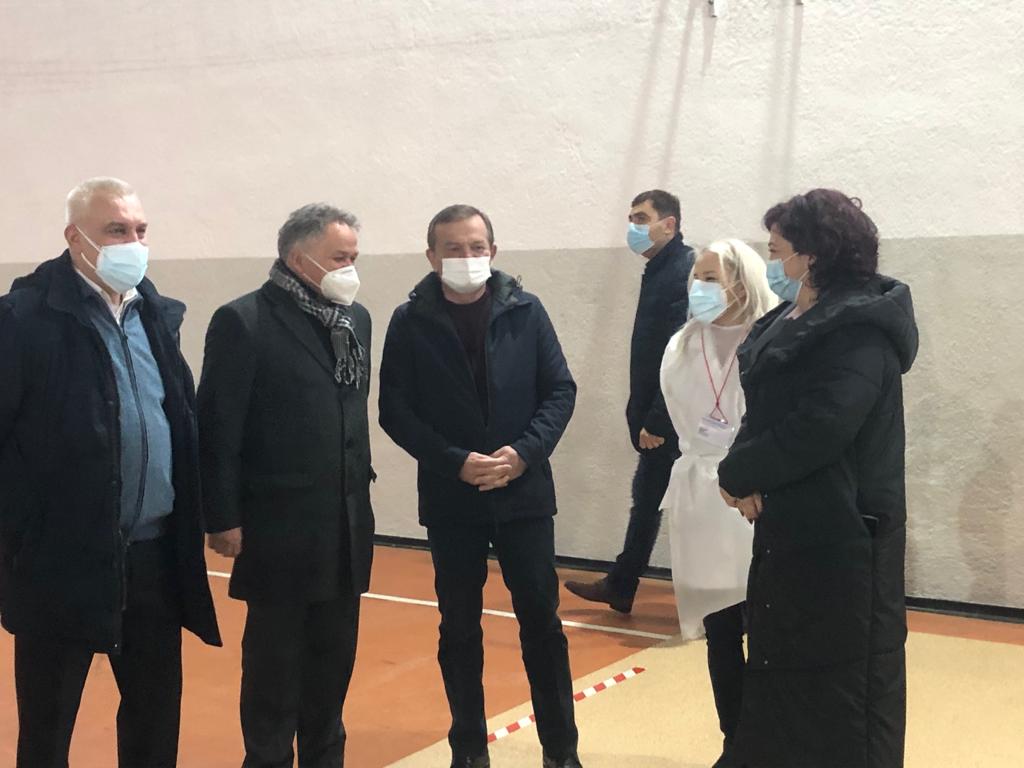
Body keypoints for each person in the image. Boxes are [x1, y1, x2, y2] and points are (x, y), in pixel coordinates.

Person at [0, 177, 221, 767]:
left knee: (154, 717)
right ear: (75, 237)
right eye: (116, 231)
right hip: (57, 558)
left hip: (153, 557)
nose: (133, 243)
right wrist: (19, 533)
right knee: (47, 727)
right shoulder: (23, 320)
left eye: (140, 230)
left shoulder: (156, 317)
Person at [717, 189, 917, 768]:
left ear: (813, 255)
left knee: (842, 693)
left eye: (777, 249)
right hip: (789, 532)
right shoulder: (789, 319)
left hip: (843, 542)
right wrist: (740, 472)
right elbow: (763, 409)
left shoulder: (860, 330)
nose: (771, 259)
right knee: (782, 675)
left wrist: (738, 471)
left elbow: (821, 426)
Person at [378, 205, 582, 768]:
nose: (466, 257)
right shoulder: (409, 321)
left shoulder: (526, 311)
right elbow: (395, 410)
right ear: (431, 256)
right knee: (459, 628)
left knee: (542, 623)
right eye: (453, 248)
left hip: (523, 494)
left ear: (493, 251)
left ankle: (561, 751)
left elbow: (559, 390)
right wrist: (453, 462)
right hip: (453, 498)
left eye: (476, 247)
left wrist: (524, 453)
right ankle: (468, 750)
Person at [197, 203, 375, 768]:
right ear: (300, 260)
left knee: (332, 671)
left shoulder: (356, 319)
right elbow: (218, 427)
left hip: (345, 530)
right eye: (339, 258)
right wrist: (222, 517)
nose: (350, 269)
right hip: (278, 531)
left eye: (354, 257)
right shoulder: (244, 321)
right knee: (274, 676)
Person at [658, 239, 777, 766]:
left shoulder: (771, 337)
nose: (699, 287)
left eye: (712, 277)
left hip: (757, 496)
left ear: (743, 283)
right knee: (721, 629)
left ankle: (772, 740)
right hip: (703, 496)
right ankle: (735, 742)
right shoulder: (681, 345)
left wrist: (748, 473)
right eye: (697, 278)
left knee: (768, 630)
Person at [565, 189, 695, 613]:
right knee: (648, 498)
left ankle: (722, 599)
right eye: (631, 218)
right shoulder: (660, 268)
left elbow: (681, 353)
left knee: (671, 502)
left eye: (641, 218)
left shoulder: (682, 271)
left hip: (672, 417)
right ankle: (622, 584)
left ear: (669, 224)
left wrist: (657, 418)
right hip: (660, 412)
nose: (633, 227)